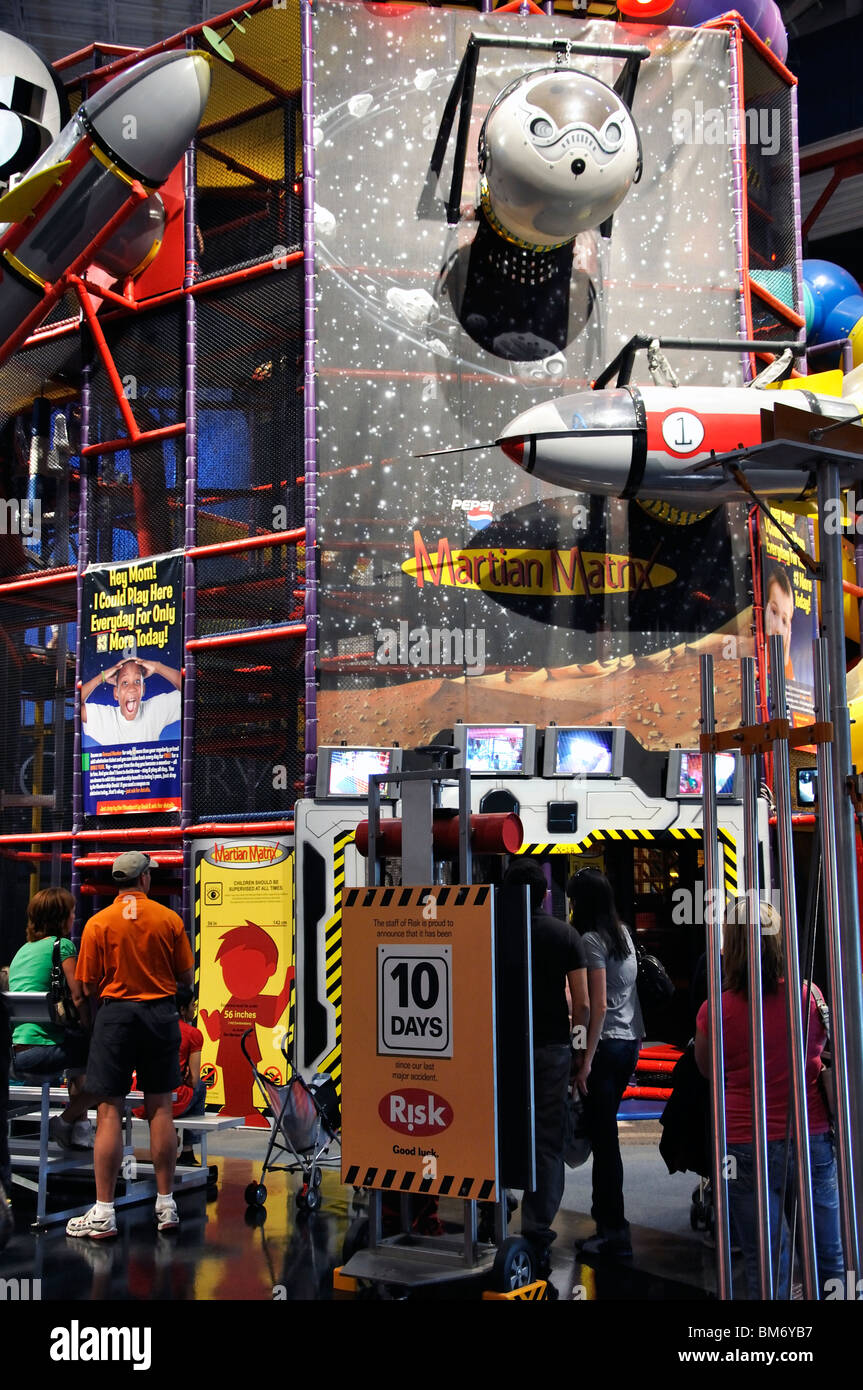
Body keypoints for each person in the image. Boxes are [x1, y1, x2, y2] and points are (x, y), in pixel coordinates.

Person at [694, 897, 843, 1299]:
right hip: (808, 1134)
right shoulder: (810, 998)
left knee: (767, 1259)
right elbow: (825, 1047)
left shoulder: (715, 1010)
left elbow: (709, 1071)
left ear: (731, 946)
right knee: (827, 1250)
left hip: (743, 1142)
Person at [66, 851, 194, 1240]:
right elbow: (185, 977)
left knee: (108, 1112)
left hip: (115, 1017)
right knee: (160, 1109)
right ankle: (166, 1205)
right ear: (143, 880)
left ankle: (104, 1212)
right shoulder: (169, 919)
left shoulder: (97, 923)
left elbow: (86, 985)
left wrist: (95, 1022)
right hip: (159, 1015)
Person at [502, 858, 589, 1280]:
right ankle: (536, 1231)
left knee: (496, 1128)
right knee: (547, 1139)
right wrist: (578, 1052)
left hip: (500, 1050)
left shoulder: (490, 930)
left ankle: (491, 1209)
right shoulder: (564, 934)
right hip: (552, 1047)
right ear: (544, 895)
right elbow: (584, 1002)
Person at [568, 867, 643, 1258]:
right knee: (606, 1136)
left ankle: (612, 1229)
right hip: (629, 1042)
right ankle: (612, 1225)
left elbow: (593, 1006)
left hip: (607, 1047)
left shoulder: (591, 942)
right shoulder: (624, 935)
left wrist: (584, 1061)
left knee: (604, 1141)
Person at [7, 887, 95, 1148]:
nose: (73, 917)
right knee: (110, 1064)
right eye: (72, 912)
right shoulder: (63, 946)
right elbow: (79, 997)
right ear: (62, 916)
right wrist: (91, 1027)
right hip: (45, 1052)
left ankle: (79, 1129)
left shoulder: (21, 952)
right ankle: (67, 1121)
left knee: (81, 1056)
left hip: (16, 1053)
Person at [81, 657, 181, 746]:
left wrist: (157, 667)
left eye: (137, 681)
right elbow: (77, 706)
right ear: (116, 693)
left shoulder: (154, 709)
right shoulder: (106, 717)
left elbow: (189, 690)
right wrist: (101, 677)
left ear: (143, 690)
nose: (132, 688)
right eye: (125, 683)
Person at [763, 564, 794, 680]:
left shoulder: (787, 662)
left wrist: (784, 663)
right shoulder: (750, 648)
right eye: (774, 612)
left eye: (785, 621)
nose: (778, 629)